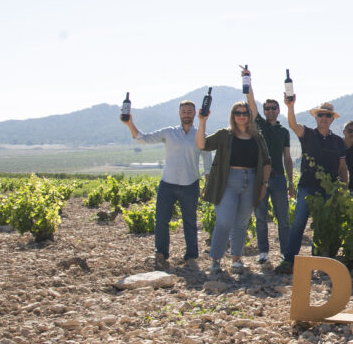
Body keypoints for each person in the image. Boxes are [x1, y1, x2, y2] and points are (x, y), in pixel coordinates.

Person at [122, 99, 212, 268]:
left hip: (190, 184)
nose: (186, 114)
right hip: (167, 184)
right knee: (161, 220)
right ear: (179, 113)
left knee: (190, 222)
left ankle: (191, 256)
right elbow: (143, 139)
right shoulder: (168, 133)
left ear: (195, 113)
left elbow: (208, 158)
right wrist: (129, 123)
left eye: (189, 112)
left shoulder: (200, 135)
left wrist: (208, 180)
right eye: (183, 111)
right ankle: (161, 253)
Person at [196, 100, 271, 273]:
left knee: (242, 222)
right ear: (233, 116)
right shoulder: (224, 134)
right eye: (238, 113)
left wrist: (264, 184)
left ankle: (236, 258)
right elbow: (202, 145)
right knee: (224, 221)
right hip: (228, 180)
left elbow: (267, 162)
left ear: (249, 116)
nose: (242, 116)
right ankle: (216, 259)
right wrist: (202, 122)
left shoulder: (257, 137)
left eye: (245, 113)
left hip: (251, 180)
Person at [276, 97, 348, 274]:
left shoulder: (338, 142)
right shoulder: (307, 134)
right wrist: (290, 107)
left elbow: (342, 167)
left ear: (332, 119)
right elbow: (293, 125)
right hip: (307, 187)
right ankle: (289, 260)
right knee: (299, 222)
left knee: (321, 224)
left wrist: (344, 189)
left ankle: (318, 261)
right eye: (321, 115)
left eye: (327, 116)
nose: (324, 118)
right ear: (316, 117)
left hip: (328, 190)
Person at [245, 89, 293, 264]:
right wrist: (248, 83)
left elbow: (287, 158)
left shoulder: (284, 132)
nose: (270, 111)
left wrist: (291, 182)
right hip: (260, 179)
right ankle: (263, 252)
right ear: (264, 111)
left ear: (278, 110)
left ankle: (286, 252)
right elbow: (251, 103)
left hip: (279, 178)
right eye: (267, 108)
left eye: (273, 108)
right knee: (260, 217)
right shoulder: (259, 125)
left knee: (283, 219)